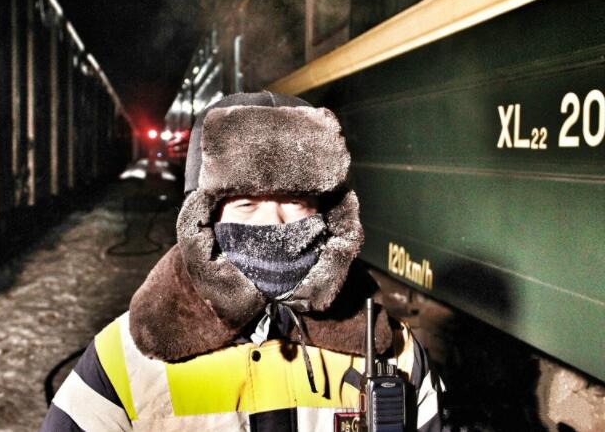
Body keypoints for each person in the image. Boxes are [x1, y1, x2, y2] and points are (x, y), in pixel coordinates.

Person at [41, 92, 443, 431]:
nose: (274, 222)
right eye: (246, 204)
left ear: (328, 214)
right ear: (203, 220)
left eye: (294, 201)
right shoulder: (123, 359)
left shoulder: (397, 353)